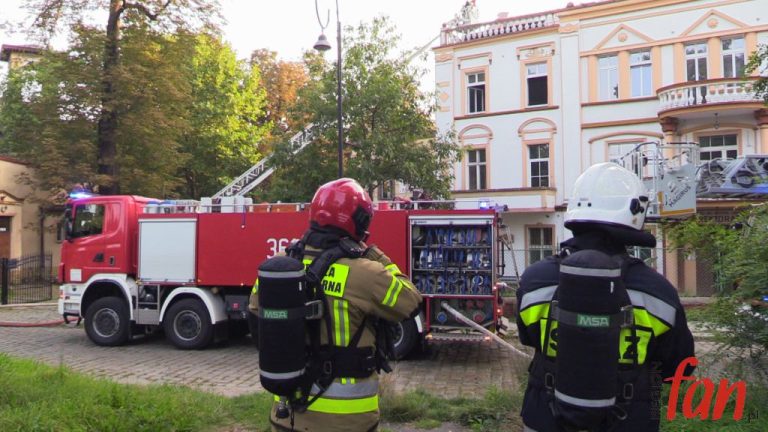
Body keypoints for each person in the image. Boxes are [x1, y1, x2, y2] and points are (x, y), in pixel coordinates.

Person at [516, 162, 695, 432]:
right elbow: (679, 368)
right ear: (635, 212)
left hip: (545, 419)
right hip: (629, 421)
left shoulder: (534, 281)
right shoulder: (658, 292)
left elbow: (529, 338)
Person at [251, 178, 423, 432]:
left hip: (286, 417)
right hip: (347, 421)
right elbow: (411, 302)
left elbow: (256, 317)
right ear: (359, 222)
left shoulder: (280, 266)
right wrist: (374, 255)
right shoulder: (366, 272)